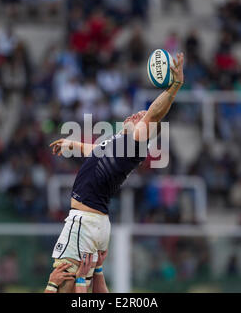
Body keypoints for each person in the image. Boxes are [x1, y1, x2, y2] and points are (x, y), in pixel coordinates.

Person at [47, 53, 185, 292]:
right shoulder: (118, 144)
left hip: (84, 222)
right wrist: (73, 145)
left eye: (141, 118)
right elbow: (96, 151)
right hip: (96, 223)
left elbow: (154, 113)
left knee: (59, 283)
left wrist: (174, 86)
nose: (136, 115)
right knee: (79, 286)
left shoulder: (135, 142)